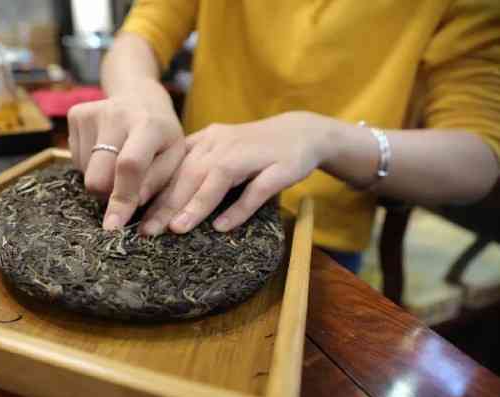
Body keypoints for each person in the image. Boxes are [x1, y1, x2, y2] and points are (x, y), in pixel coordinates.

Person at [67, 0, 500, 272]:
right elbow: (143, 31)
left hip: (320, 241)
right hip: (180, 200)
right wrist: (140, 92)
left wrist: (323, 137)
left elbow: (477, 158)